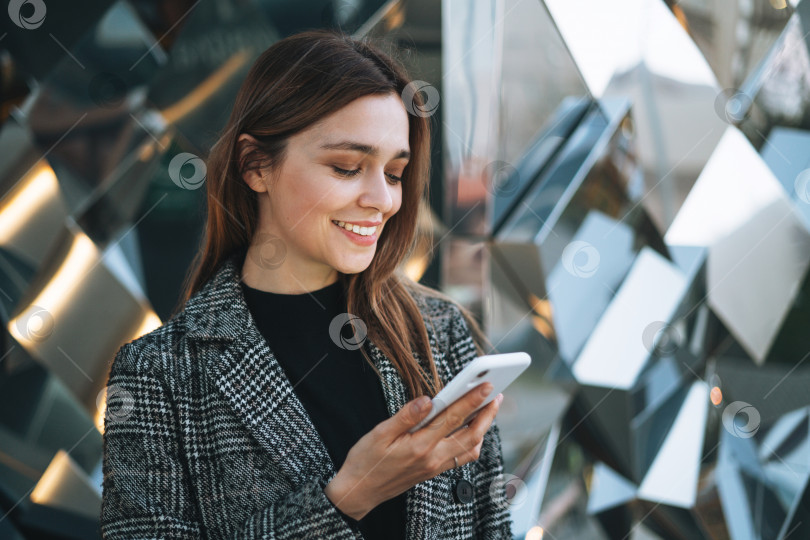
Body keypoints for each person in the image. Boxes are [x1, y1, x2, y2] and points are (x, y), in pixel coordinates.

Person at [100, 28, 514, 539]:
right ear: (256, 167)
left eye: (393, 173)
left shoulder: (439, 331)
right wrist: (348, 497)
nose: (382, 200)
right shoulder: (159, 375)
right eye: (346, 167)